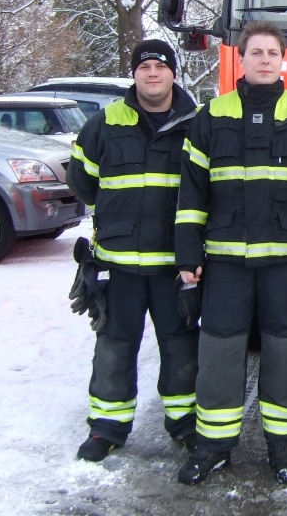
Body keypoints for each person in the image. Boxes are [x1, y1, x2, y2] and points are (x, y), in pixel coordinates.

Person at [174, 21, 287, 486]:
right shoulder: (211, 115)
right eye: (256, 53)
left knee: (286, 355)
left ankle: (282, 447)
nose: (264, 60)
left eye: (272, 53)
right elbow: (192, 195)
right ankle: (213, 447)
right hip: (225, 263)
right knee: (220, 353)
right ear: (240, 60)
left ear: (283, 61)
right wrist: (188, 255)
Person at [67, 39, 200, 463]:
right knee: (114, 345)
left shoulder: (196, 124)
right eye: (144, 67)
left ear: (174, 73)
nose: (153, 74)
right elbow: (81, 179)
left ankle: (184, 425)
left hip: (172, 266)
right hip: (118, 264)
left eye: (161, 66)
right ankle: (106, 427)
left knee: (180, 346)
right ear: (135, 75)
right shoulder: (105, 122)